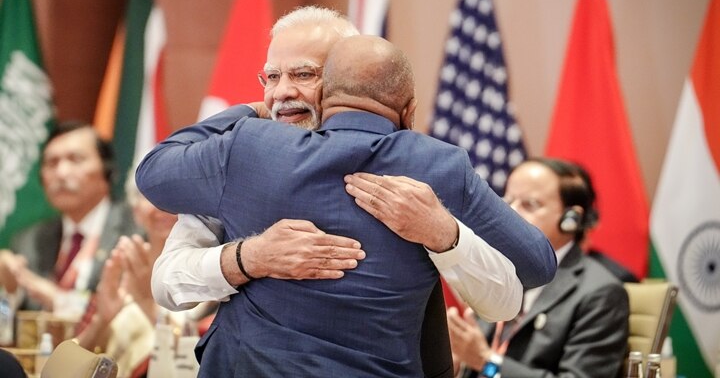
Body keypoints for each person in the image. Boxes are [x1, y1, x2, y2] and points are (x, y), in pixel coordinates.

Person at [136, 34, 556, 377]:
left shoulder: (246, 148)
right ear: (409, 110)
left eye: (302, 74)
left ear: (325, 91)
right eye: (272, 78)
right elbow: (167, 282)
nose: (284, 92)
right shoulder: (435, 166)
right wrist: (245, 259)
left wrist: (444, 233)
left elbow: (152, 172)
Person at [447, 158, 629, 378]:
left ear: (570, 219)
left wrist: (487, 362)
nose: (510, 213)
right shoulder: (498, 270)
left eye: (529, 205)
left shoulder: (601, 293)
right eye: (508, 201)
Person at [75, 172, 209, 378]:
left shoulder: (214, 273)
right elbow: (67, 367)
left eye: (176, 194)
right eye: (151, 194)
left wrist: (147, 303)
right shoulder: (121, 264)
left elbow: (202, 361)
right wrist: (101, 320)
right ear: (136, 210)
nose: (163, 206)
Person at [0, 122, 138, 312]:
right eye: (52, 163)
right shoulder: (29, 241)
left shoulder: (136, 230)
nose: (61, 173)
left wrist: (57, 299)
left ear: (107, 171)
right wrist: (10, 288)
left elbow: (131, 313)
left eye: (76, 160)